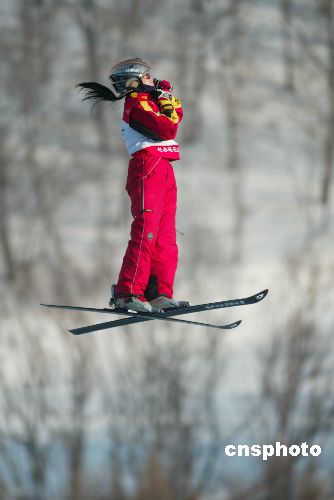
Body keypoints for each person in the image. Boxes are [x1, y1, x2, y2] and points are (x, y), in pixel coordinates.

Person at [77, 58, 188, 313]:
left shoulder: (149, 100)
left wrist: (164, 96)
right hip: (147, 166)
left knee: (165, 236)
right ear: (134, 81)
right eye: (147, 77)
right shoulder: (136, 104)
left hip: (163, 167)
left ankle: (158, 292)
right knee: (146, 231)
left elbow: (175, 115)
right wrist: (164, 100)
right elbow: (166, 128)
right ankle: (128, 292)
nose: (153, 80)